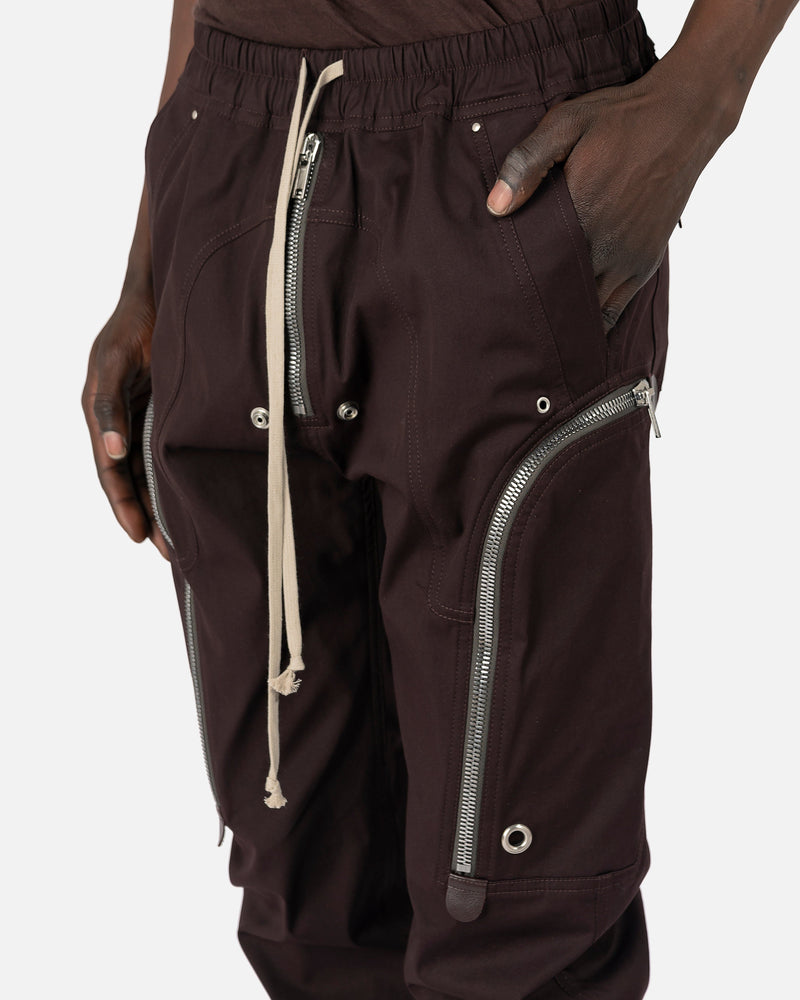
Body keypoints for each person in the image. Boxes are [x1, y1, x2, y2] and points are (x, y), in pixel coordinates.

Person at [81, 1, 796, 997]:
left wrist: (699, 98)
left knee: (513, 911)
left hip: (502, 150)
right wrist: (153, 253)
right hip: (231, 160)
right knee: (304, 889)